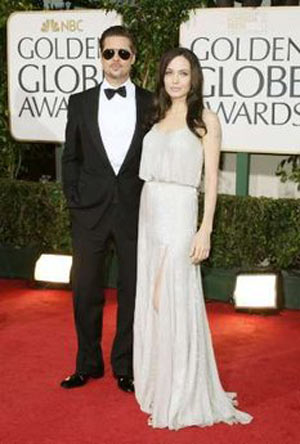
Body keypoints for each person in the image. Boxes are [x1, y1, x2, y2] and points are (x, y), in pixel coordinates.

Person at [133, 47, 253, 429]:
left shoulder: (206, 119)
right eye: (169, 72)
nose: (175, 79)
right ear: (162, 77)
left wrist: (206, 228)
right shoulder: (156, 115)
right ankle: (160, 380)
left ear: (194, 77)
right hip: (150, 209)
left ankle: (182, 389)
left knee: (172, 297)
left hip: (180, 211)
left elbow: (212, 182)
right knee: (152, 300)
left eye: (183, 73)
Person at [61, 26, 153, 392]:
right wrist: (74, 198)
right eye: (109, 53)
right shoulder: (80, 102)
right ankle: (87, 363)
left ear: (134, 58)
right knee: (85, 289)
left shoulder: (151, 102)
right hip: (89, 212)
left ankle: (125, 366)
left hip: (135, 210)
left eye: (123, 53)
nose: (116, 60)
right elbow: (71, 156)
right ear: (100, 56)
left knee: (131, 290)